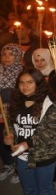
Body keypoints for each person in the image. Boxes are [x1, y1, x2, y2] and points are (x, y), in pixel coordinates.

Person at [4, 68, 56, 195]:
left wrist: (26, 144)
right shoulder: (16, 101)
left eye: (30, 82)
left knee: (45, 191)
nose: (25, 86)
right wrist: (9, 135)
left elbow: (50, 131)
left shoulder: (49, 103)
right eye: (21, 83)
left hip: (44, 155)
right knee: (29, 191)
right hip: (22, 156)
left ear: (38, 83)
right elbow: (11, 124)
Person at [31, 48, 56, 182]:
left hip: (54, 111)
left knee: (55, 140)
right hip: (37, 111)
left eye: (43, 60)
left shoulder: (55, 74)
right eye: (36, 60)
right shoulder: (32, 74)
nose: (40, 63)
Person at [0, 43, 24, 184]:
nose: (7, 57)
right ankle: (8, 163)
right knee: (2, 138)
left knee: (15, 137)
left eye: (11, 54)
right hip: (0, 111)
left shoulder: (21, 71)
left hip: (14, 111)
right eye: (4, 54)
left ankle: (18, 166)